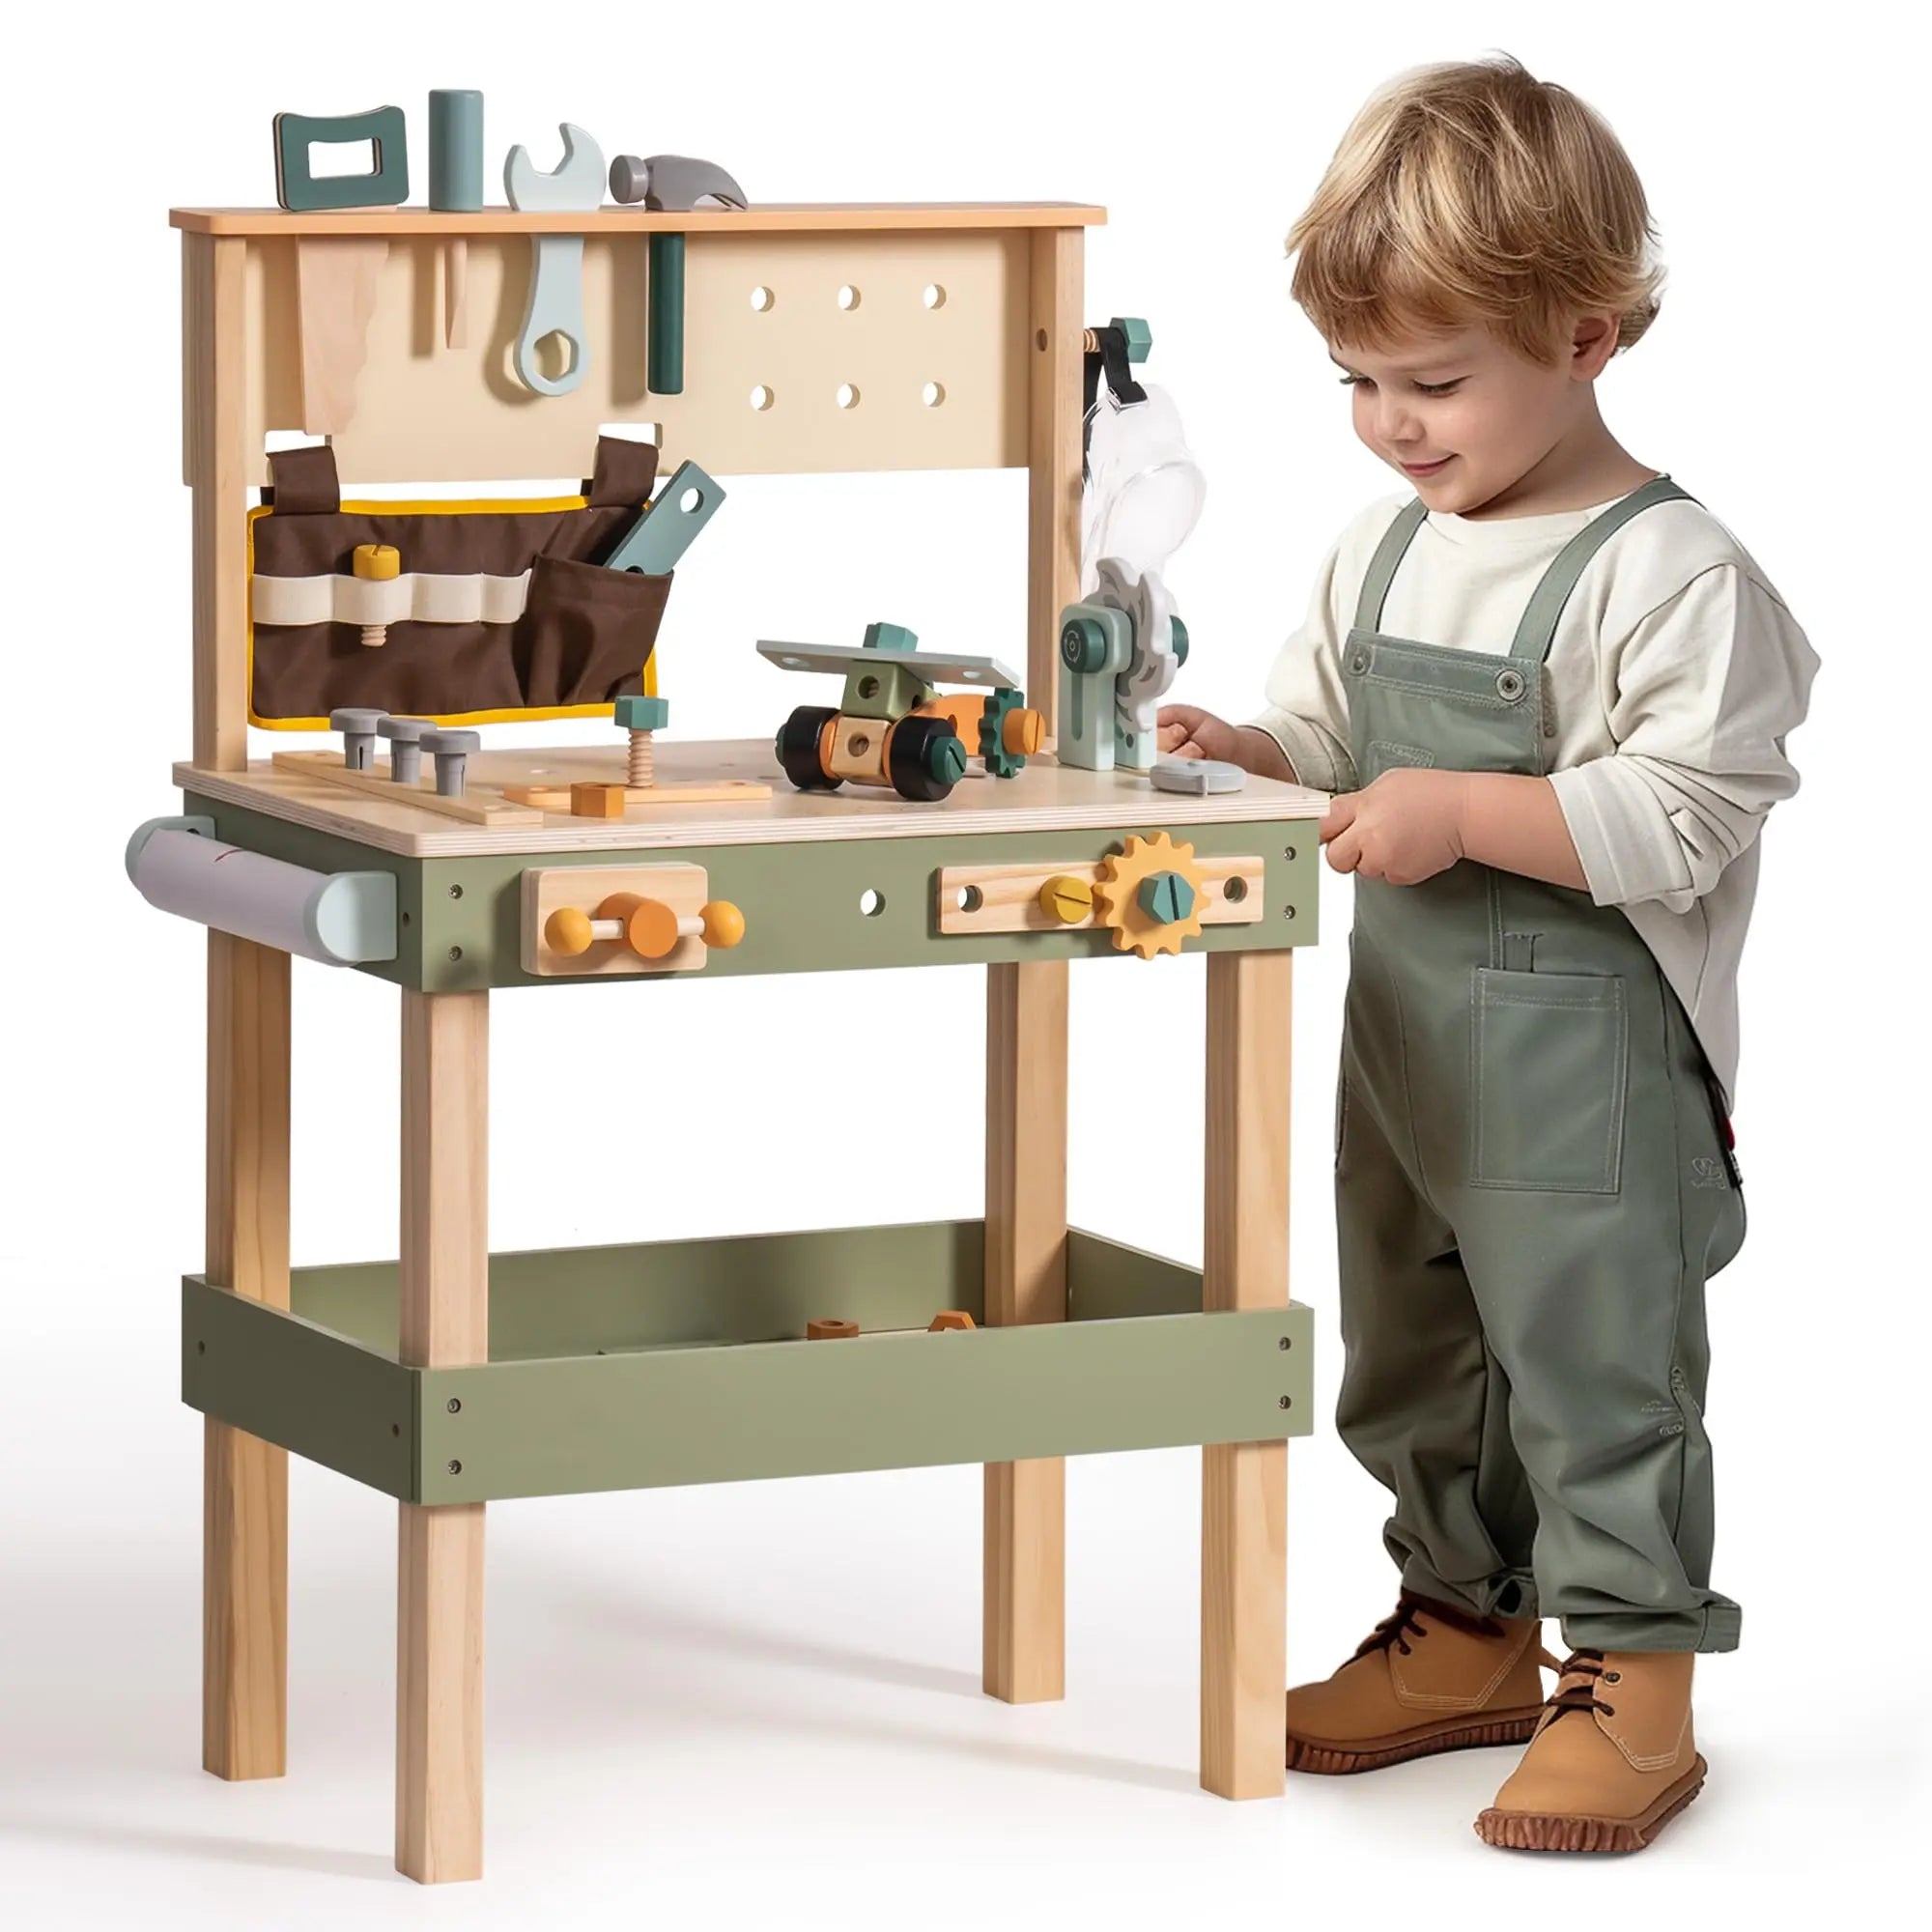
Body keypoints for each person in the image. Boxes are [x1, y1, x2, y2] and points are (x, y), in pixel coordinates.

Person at [1159, 53, 1817, 1853]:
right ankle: (1461, 1628)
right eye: (1358, 380)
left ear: (1591, 333)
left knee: (1593, 1361)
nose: (1391, 421)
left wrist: (1459, 811)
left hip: (1591, 1063)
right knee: (1417, 1343)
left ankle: (1635, 1674)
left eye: (1435, 380)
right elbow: (1322, 734)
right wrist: (1251, 754)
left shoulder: (1668, 571)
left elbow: (1689, 810)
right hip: (1409, 1040)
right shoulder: (1381, 549)